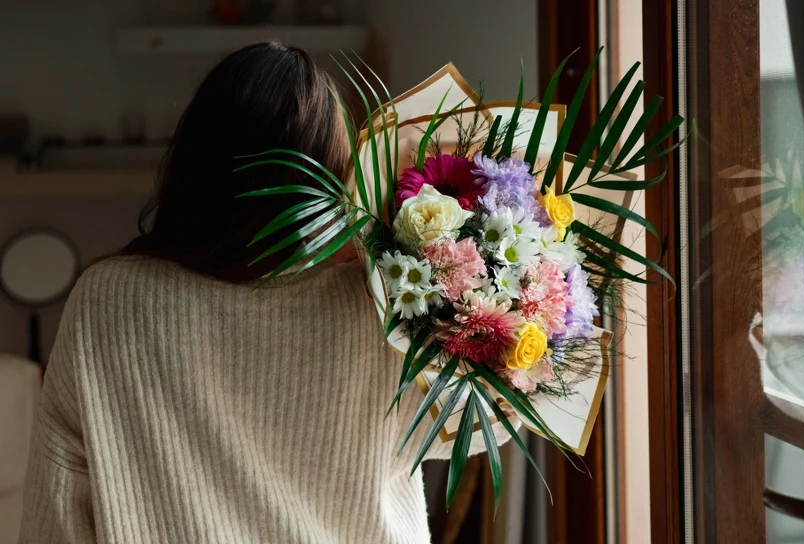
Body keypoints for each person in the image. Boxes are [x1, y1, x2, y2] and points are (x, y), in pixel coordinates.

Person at [18, 43, 512, 543]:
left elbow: (57, 507)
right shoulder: (384, 299)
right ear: (332, 178)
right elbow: (482, 423)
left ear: (193, 165)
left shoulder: (108, 300)